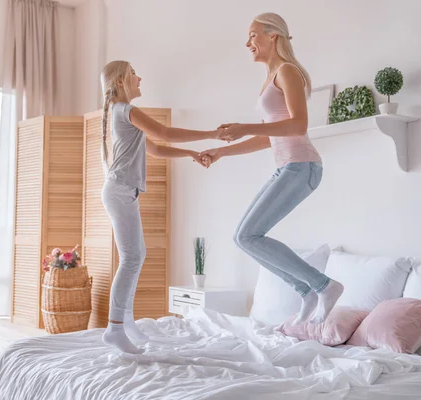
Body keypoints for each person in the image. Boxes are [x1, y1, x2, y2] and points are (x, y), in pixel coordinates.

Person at [201, 13, 343, 325]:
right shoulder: (271, 77)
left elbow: (299, 124)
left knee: (249, 234)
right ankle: (305, 291)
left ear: (273, 36)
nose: (248, 42)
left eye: (253, 35)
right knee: (243, 237)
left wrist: (243, 126)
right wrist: (222, 151)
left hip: (302, 165)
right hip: (287, 167)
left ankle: (324, 286)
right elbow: (268, 137)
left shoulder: (288, 71)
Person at [100, 60, 218, 353]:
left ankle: (125, 321)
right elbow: (164, 133)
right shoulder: (126, 111)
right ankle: (115, 328)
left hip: (124, 192)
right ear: (120, 82)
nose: (140, 78)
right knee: (130, 258)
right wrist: (211, 134)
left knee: (136, 256)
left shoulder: (124, 115)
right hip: (119, 191)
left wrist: (191, 152)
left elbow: (157, 148)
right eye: (133, 74)